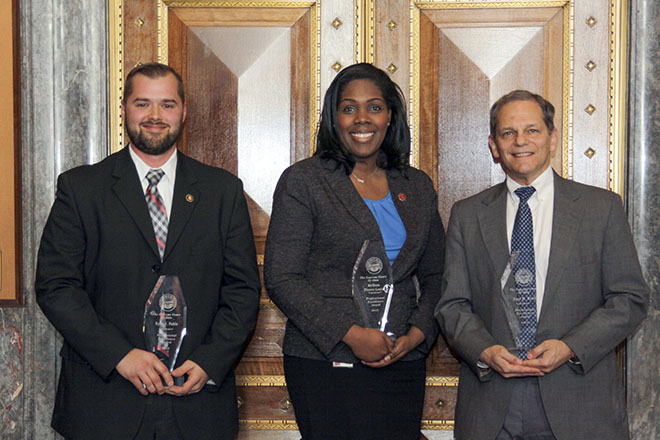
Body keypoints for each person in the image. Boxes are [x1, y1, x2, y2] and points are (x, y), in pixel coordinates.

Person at [35, 62, 260, 440]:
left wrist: (209, 360)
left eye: (167, 105)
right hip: (104, 402)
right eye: (143, 103)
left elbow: (242, 290)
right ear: (124, 109)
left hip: (196, 401)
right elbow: (56, 286)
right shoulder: (81, 188)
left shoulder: (222, 191)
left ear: (184, 111)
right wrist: (119, 355)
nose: (155, 116)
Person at [435, 90, 649, 440]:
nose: (520, 141)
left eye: (532, 130)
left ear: (553, 139)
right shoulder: (468, 214)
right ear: (493, 145)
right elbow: (452, 304)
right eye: (508, 133)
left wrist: (569, 347)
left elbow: (630, 298)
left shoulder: (601, 208)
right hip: (491, 404)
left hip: (577, 399)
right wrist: (485, 350)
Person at [264, 63, 445, 439]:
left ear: (390, 116)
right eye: (349, 108)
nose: (362, 118)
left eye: (374, 107)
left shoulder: (417, 185)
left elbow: (436, 275)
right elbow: (282, 278)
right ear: (335, 117)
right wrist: (350, 335)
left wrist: (416, 335)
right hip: (325, 361)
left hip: (401, 359)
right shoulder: (305, 180)